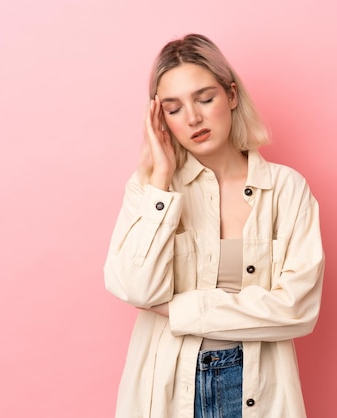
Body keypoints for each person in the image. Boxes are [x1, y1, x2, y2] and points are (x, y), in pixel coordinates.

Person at [104, 33, 324, 418]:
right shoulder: (150, 189)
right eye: (173, 109)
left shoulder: (287, 189)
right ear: (160, 119)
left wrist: (179, 309)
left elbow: (298, 310)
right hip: (168, 391)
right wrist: (161, 180)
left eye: (205, 99)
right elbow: (134, 287)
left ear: (232, 96)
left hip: (259, 388)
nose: (193, 118)